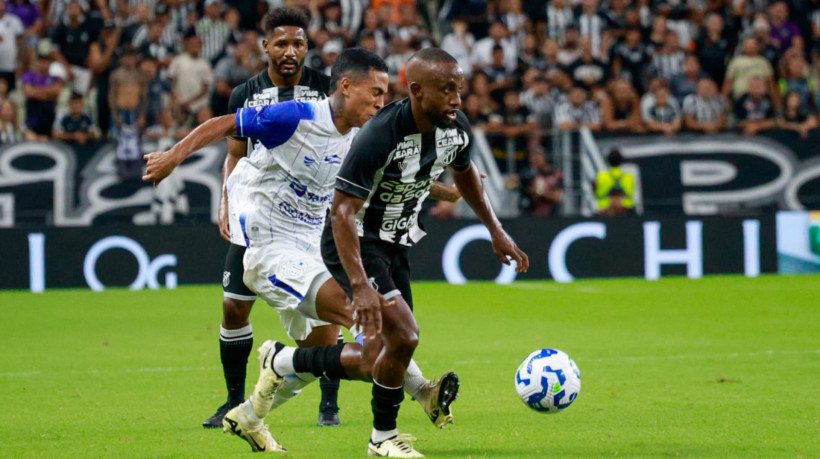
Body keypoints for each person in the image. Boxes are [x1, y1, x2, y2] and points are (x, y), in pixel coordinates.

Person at [143, 47, 464, 455]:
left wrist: (443, 189)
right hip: (270, 247)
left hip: (314, 245)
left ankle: (251, 413)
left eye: (386, 94)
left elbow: (386, 171)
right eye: (376, 93)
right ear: (346, 87)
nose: (382, 103)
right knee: (371, 324)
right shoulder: (297, 116)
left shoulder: (362, 135)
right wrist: (172, 156)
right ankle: (420, 393)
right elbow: (228, 123)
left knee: (324, 356)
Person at [257, 47, 529, 458]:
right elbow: (342, 211)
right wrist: (360, 287)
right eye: (447, 90)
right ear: (417, 91)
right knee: (405, 334)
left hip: (396, 242)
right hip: (356, 240)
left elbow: (465, 170)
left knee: (386, 351)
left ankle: (285, 363)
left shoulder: (455, 127)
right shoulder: (381, 133)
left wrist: (496, 229)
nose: (457, 99)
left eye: (459, 89)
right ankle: (383, 438)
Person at [201, 7, 341, 430]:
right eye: (281, 43)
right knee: (232, 309)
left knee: (330, 315)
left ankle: (329, 405)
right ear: (265, 47)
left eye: (298, 43)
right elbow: (234, 154)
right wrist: (226, 203)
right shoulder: (245, 93)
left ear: (306, 47)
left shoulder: (326, 89)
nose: (289, 51)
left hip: (312, 219)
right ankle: (231, 401)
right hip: (257, 217)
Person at [595, 148, 635, 216]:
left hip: (605, 212)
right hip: (627, 211)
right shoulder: (629, 177)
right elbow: (631, 193)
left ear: (608, 161)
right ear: (621, 161)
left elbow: (596, 194)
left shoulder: (601, 176)